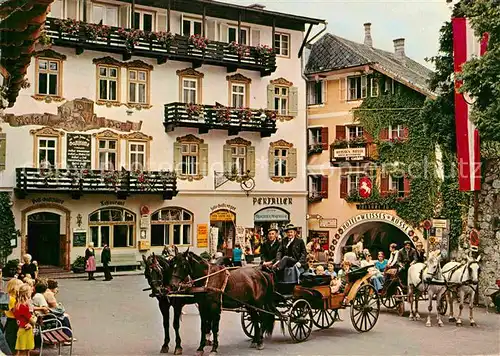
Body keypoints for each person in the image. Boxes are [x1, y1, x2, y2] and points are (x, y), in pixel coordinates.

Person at [14, 284, 35, 356]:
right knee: (23, 352)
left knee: (25, 351)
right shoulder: (24, 307)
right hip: (25, 331)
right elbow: (33, 321)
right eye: (30, 291)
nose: (32, 292)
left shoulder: (17, 304)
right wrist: (35, 316)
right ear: (26, 294)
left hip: (21, 329)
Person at [5, 278, 23, 353]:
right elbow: (16, 311)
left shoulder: (13, 298)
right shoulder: (12, 299)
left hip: (13, 321)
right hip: (13, 321)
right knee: (12, 340)